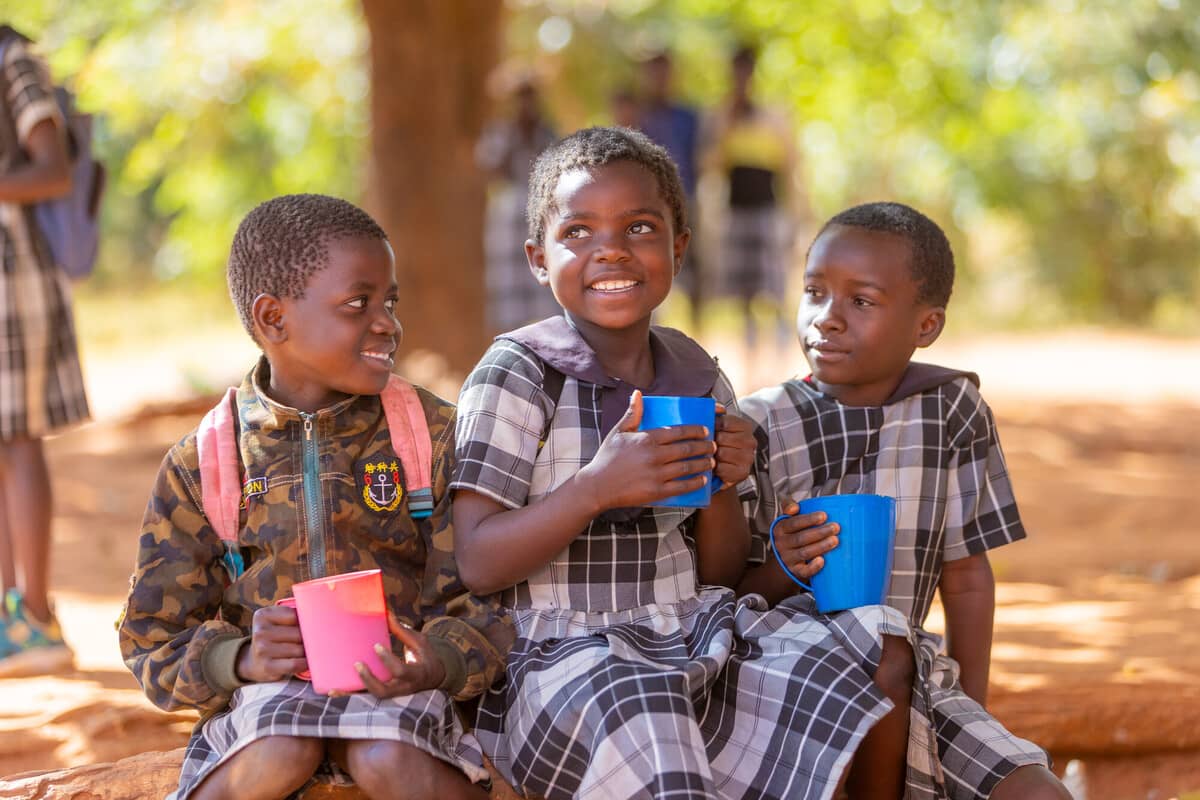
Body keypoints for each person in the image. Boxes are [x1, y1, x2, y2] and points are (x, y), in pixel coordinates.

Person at [450, 127, 917, 799]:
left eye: (639, 227)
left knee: (876, 643)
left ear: (679, 248)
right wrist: (595, 488)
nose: (610, 248)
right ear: (537, 259)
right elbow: (477, 560)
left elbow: (719, 574)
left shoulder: (697, 376)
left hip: (688, 632)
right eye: (578, 232)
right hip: (556, 656)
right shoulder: (518, 375)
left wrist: (724, 486)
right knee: (644, 712)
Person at [118, 194, 514, 800]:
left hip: (405, 701)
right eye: (359, 304)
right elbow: (152, 634)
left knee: (386, 758)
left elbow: (495, 595)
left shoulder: (430, 438)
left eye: (390, 301)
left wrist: (439, 660)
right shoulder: (206, 462)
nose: (387, 322)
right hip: (263, 710)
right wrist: (241, 658)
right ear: (274, 319)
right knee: (282, 750)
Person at [739, 201, 1071, 800]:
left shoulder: (951, 410)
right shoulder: (759, 424)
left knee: (1039, 793)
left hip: (913, 678)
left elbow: (967, 576)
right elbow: (724, 594)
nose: (827, 319)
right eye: (815, 292)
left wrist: (972, 713)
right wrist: (785, 567)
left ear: (926, 326)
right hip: (782, 677)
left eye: (861, 301)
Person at [0, 24, 89, 677]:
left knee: (19, 436)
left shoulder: (13, 57)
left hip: (14, 272)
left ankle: (32, 613)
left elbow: (52, 171)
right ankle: (12, 616)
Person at [708, 45, 800, 361]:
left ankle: (780, 356)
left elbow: (789, 166)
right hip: (737, 212)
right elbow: (712, 165)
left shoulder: (773, 116)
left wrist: (795, 214)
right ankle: (751, 359)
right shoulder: (722, 116)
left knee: (773, 290)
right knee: (744, 295)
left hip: (768, 212)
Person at [476, 77, 559, 334]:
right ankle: (511, 342)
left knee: (544, 275)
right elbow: (489, 170)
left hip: (541, 208)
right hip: (508, 214)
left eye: (529, 97)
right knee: (508, 285)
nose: (525, 104)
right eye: (519, 98)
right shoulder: (500, 133)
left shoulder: (547, 132)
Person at [636, 52, 706, 329]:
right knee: (649, 263)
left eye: (663, 72)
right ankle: (653, 328)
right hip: (647, 203)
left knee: (692, 267)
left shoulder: (688, 117)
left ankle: (697, 332)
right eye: (653, 73)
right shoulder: (640, 116)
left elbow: (699, 158)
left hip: (685, 199)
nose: (658, 79)